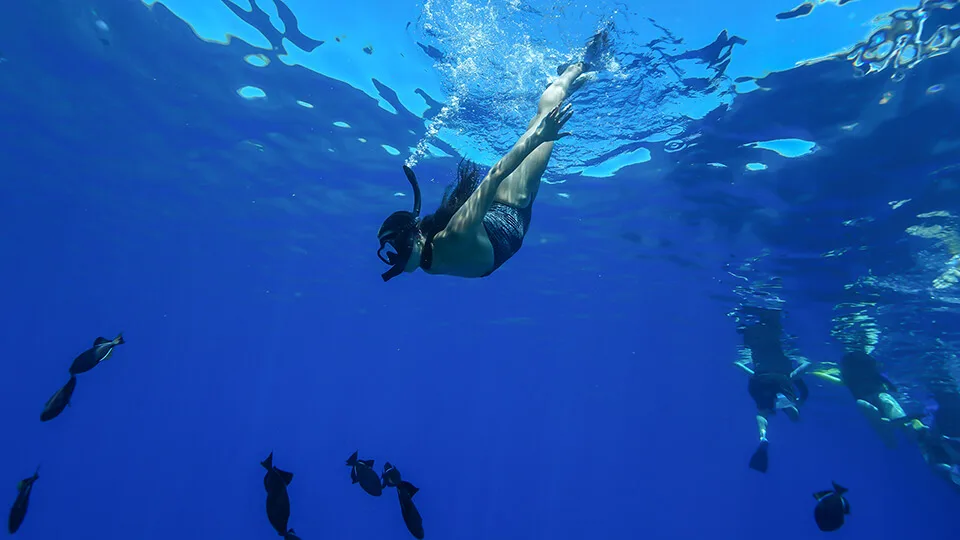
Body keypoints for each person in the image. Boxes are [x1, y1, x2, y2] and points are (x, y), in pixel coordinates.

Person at [375, 32, 609, 282]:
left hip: (512, 201)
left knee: (546, 117)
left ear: (414, 238)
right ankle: (563, 87)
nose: (394, 256)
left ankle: (578, 67)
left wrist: (541, 137)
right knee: (537, 123)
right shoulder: (428, 263)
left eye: (395, 246)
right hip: (507, 225)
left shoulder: (455, 233)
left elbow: (496, 174)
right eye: (393, 250)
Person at [733, 306, 811, 473]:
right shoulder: (787, 358)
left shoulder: (758, 349)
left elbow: (739, 365)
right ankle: (788, 404)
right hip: (781, 378)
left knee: (762, 411)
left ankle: (763, 436)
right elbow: (805, 372)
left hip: (758, 379)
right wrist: (799, 399)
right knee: (791, 411)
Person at [811, 350, 913, 448]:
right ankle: (900, 425)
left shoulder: (851, 377)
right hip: (874, 396)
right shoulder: (869, 373)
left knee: (876, 403)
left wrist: (818, 374)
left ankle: (898, 428)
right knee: (881, 402)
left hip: (873, 396)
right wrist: (819, 374)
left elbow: (838, 382)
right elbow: (885, 382)